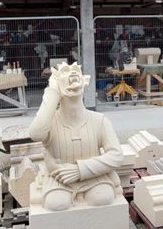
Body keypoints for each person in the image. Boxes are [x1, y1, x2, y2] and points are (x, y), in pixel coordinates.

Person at [29, 62, 124, 211]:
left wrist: (80, 170)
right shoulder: (50, 122)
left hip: (93, 177)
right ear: (56, 83)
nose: (72, 74)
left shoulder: (100, 120)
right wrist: (52, 92)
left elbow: (116, 155)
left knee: (102, 198)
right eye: (65, 72)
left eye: (75, 71)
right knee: (56, 203)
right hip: (60, 177)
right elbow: (35, 134)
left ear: (85, 81)